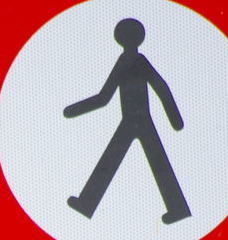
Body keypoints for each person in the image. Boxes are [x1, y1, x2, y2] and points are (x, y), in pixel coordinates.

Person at [64, 17, 191, 224]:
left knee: (117, 160)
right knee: (146, 161)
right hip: (135, 119)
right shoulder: (134, 61)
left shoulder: (132, 62)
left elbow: (158, 87)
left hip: (136, 119)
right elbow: (108, 97)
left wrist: (175, 120)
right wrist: (74, 110)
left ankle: (87, 202)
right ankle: (177, 208)